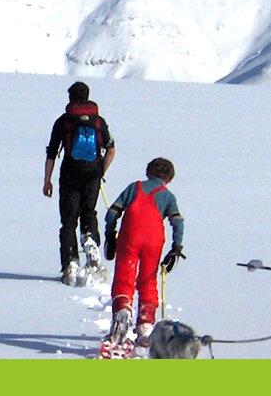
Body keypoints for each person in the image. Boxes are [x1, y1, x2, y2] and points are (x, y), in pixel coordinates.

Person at [102, 158, 185, 346]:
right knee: (148, 280)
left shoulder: (134, 188)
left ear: (148, 172)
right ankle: (146, 326)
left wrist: (110, 233)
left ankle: (122, 310)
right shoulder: (168, 196)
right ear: (169, 179)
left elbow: (112, 213)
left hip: (129, 237)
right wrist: (176, 248)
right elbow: (178, 221)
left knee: (124, 277)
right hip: (153, 241)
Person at [43, 81, 115, 286]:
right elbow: (111, 149)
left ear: (70, 98)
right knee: (88, 211)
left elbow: (51, 153)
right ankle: (90, 240)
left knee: (68, 220)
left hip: (69, 174)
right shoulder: (98, 121)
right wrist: (101, 171)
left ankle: (70, 263)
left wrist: (47, 180)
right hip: (93, 173)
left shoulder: (64, 121)